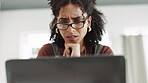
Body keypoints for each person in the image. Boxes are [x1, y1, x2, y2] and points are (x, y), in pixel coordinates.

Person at [38, 0, 114, 57]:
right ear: (56, 22)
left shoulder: (104, 53)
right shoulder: (48, 53)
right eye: (63, 22)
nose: (70, 30)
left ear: (88, 22)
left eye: (77, 21)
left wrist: (76, 61)